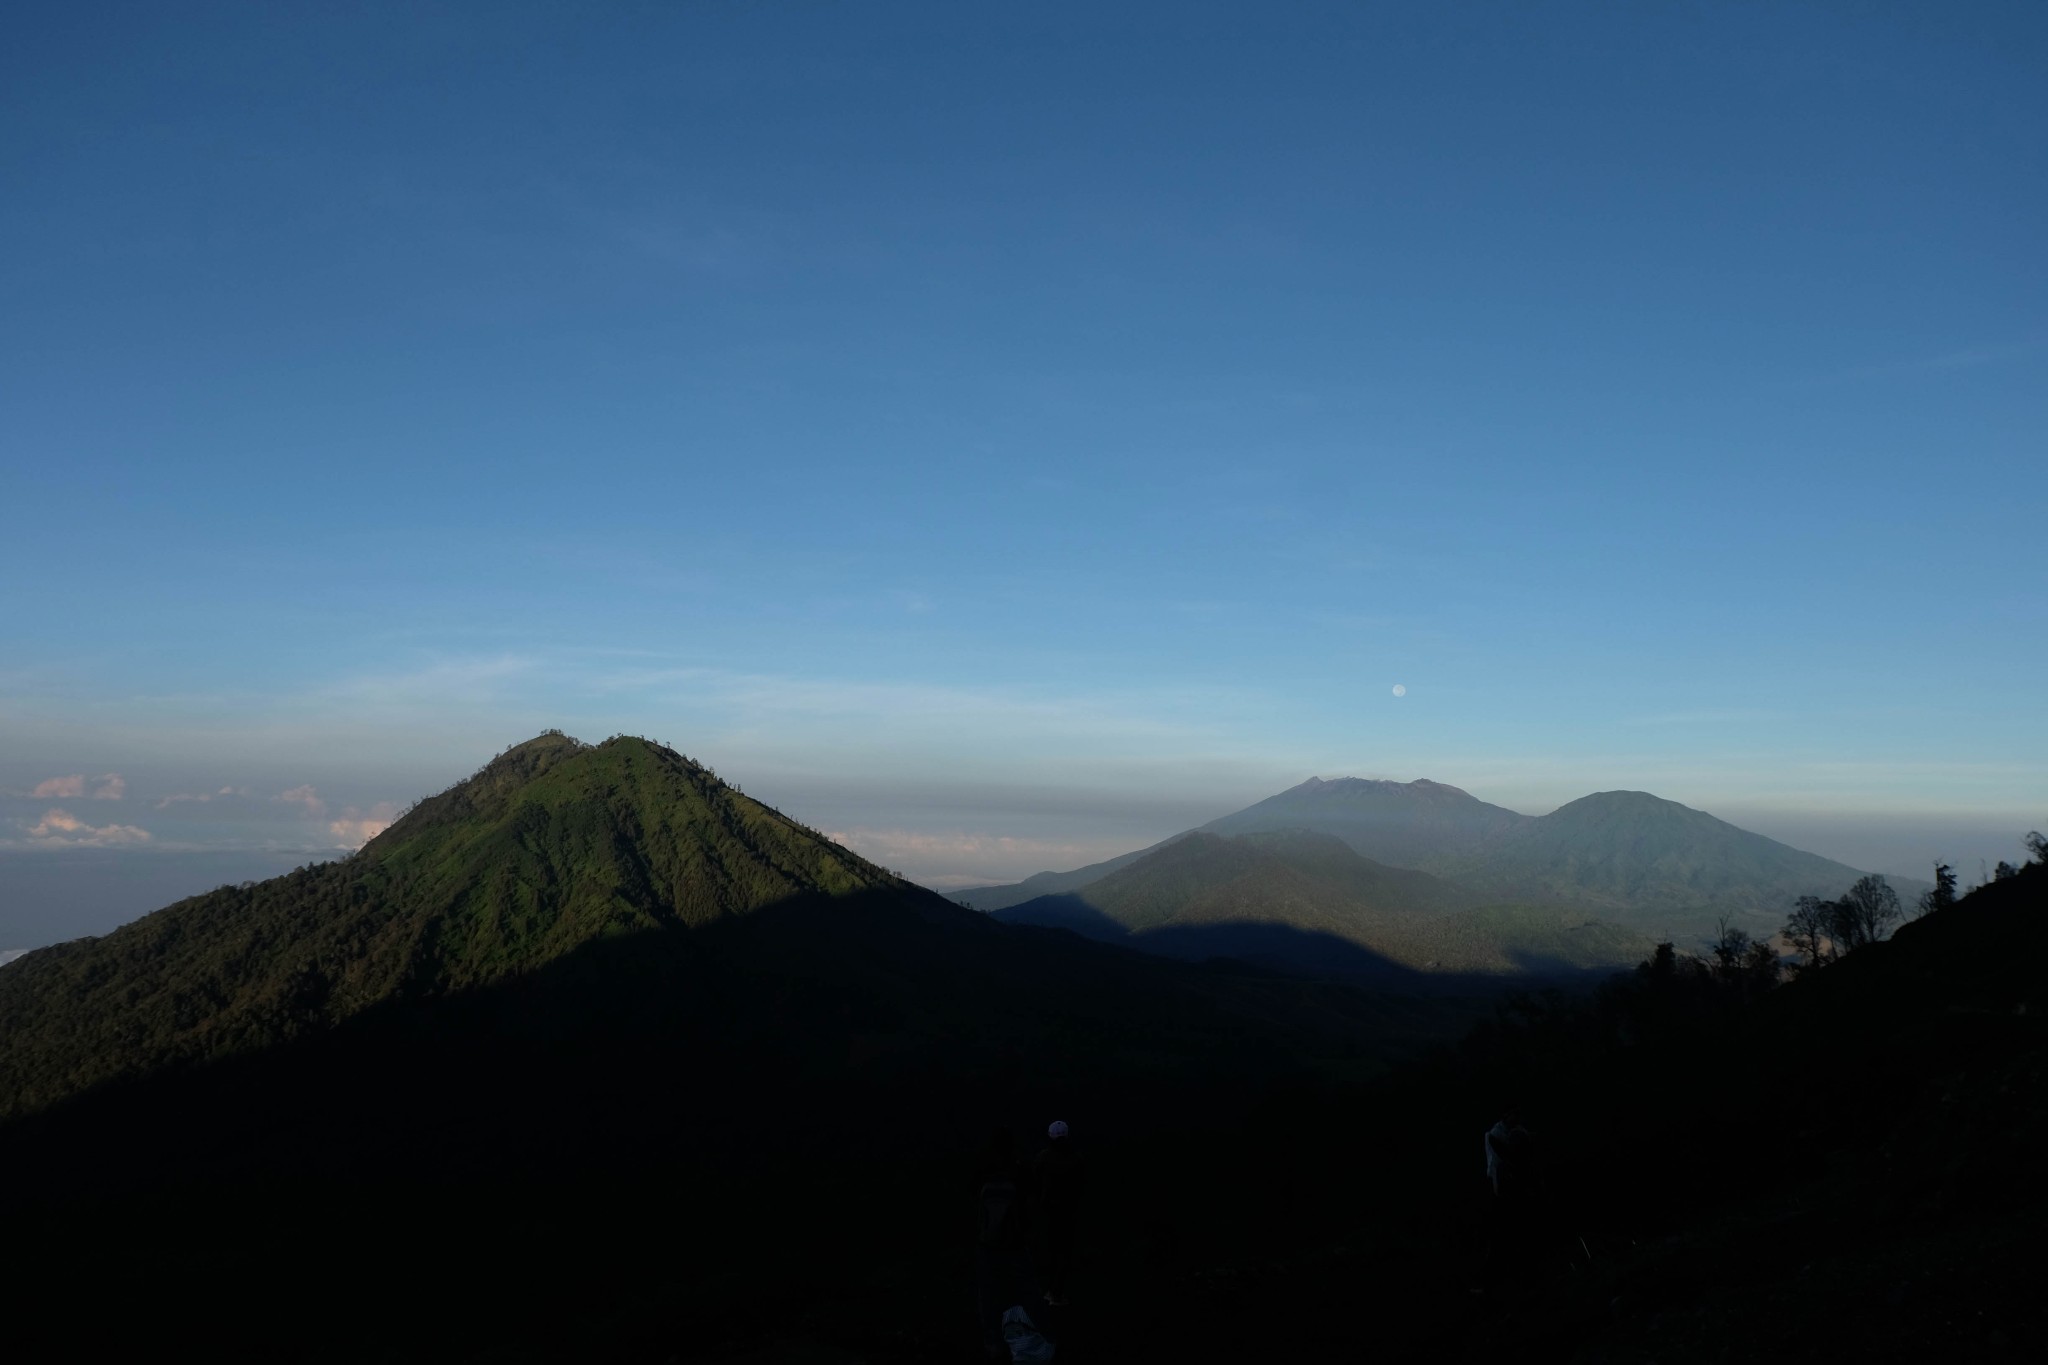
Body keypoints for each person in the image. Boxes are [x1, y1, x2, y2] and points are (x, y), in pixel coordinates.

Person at [975, 1127, 1030, 1357]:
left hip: (988, 1243)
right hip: (1013, 1244)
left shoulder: (984, 1172)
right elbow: (1026, 1205)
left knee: (989, 1294)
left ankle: (993, 1339)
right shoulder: (1018, 1170)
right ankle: (1015, 1336)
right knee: (1014, 1291)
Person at [1033, 1119, 1086, 1307]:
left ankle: (1048, 1291)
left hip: (1048, 1211)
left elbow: (1034, 1182)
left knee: (1049, 1250)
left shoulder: (1043, 1158)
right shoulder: (1077, 1159)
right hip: (1069, 1212)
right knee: (1064, 1252)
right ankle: (1058, 1292)